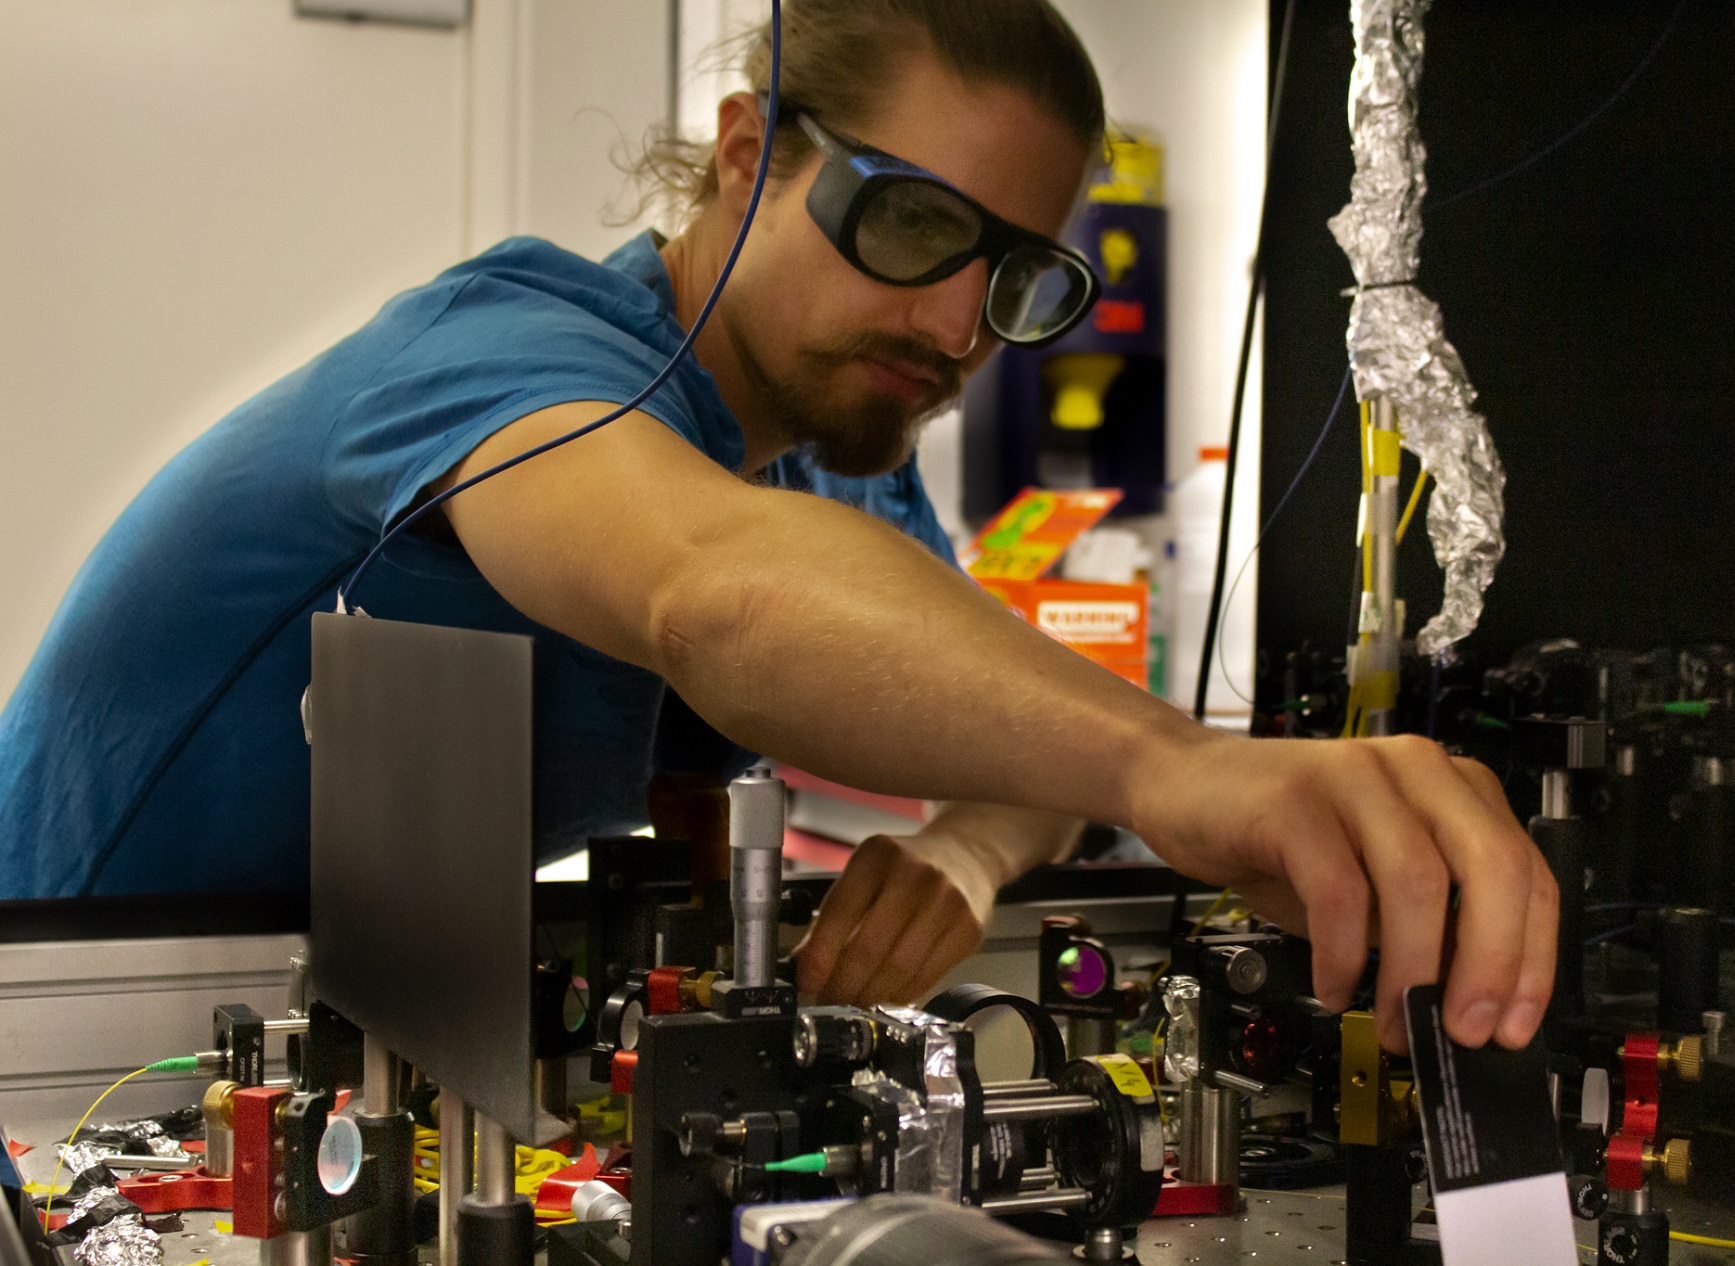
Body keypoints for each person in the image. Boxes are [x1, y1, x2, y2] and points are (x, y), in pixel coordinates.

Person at [0, 0, 1555, 1054]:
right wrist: (1183, 765)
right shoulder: (509, 357)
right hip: (67, 1036)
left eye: (1015, 279)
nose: (958, 324)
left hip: (345, 1041)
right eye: (918, 225)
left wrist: (960, 847)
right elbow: (712, 591)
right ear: (750, 156)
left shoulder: (828, 455)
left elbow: (998, 733)